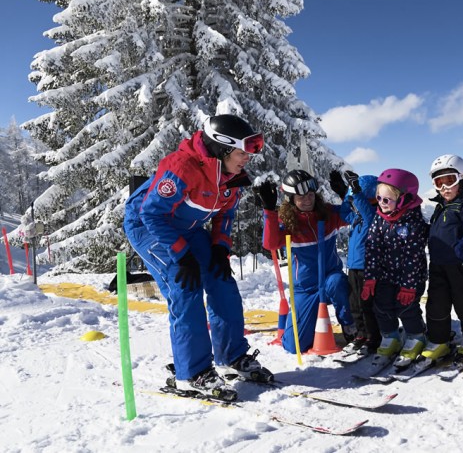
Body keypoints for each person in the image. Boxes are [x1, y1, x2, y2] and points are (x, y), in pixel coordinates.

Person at [123, 114, 272, 400]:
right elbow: (151, 213)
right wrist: (182, 255)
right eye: (242, 153)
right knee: (185, 288)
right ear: (223, 148)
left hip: (187, 227)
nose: (247, 160)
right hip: (150, 226)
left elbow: (225, 214)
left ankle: (231, 356)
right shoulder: (182, 167)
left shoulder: (231, 177)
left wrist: (219, 248)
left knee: (221, 280)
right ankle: (192, 373)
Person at [257, 169, 355, 354]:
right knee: (295, 346)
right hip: (306, 288)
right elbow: (270, 243)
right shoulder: (288, 222)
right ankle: (294, 326)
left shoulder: (327, 214)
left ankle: (350, 326)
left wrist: (345, 193)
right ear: (291, 199)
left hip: (330, 280)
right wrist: (269, 211)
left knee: (338, 282)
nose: (307, 200)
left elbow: (349, 216)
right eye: (301, 197)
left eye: (310, 195)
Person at [361, 169, 429, 368]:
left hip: (410, 278)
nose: (381, 203)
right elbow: (372, 248)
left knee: (406, 307)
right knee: (381, 306)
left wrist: (408, 286)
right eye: (379, 198)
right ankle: (390, 337)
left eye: (387, 200)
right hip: (385, 275)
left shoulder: (413, 222)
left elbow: (413, 257)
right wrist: (371, 278)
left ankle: (416, 336)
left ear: (403, 200)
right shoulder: (380, 219)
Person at [423, 155, 463, 364]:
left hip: (460, 265)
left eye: (449, 180)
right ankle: (439, 340)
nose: (444, 187)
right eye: (438, 183)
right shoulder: (441, 206)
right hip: (438, 264)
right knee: (436, 303)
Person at [331, 170, 382, 355]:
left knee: (368, 305)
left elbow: (367, 213)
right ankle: (361, 334)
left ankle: (374, 337)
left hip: (368, 268)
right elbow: (346, 214)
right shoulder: (358, 216)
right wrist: (345, 195)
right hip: (354, 266)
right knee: (355, 304)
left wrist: (355, 192)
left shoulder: (375, 215)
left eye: (357, 199)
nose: (354, 203)